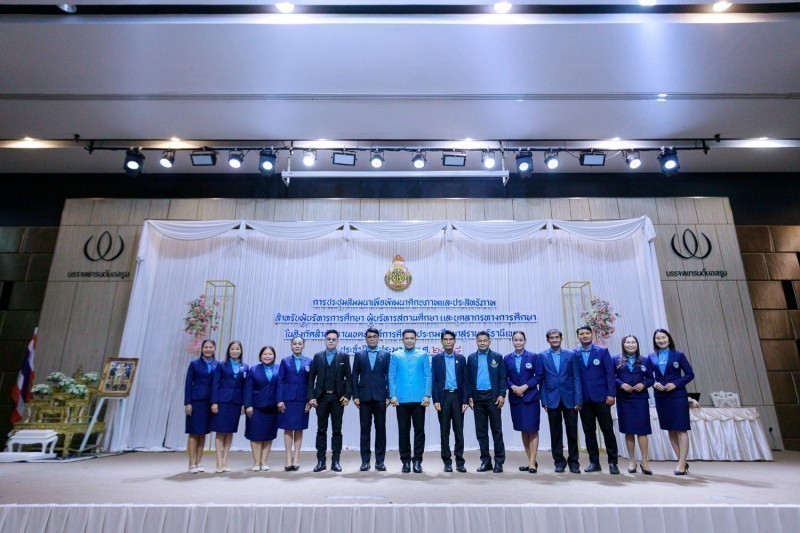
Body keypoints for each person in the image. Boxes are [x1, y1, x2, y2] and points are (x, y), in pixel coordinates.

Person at [648, 328, 695, 475]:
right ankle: (682, 461)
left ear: (669, 339)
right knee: (670, 429)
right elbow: (648, 376)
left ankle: (681, 464)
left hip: (677, 396)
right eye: (658, 338)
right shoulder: (651, 357)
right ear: (655, 341)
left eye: (663, 337)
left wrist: (675, 384)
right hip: (661, 397)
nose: (661, 340)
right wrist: (654, 383)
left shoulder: (678, 355)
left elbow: (689, 374)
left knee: (681, 428)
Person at [574, 325, 619, 475]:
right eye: (581, 334)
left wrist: (611, 394)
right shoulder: (574, 353)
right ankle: (594, 462)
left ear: (592, 335)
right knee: (589, 432)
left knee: (607, 430)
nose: (585, 336)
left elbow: (609, 374)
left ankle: (613, 462)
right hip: (584, 399)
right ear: (578, 337)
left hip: (602, 397)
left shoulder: (602, 351)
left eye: (587, 333)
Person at [307, 329, 352, 473]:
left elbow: (349, 378)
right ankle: (321, 461)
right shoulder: (317, 356)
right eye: (329, 339)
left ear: (338, 341)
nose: (331, 341)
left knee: (337, 430)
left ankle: (336, 461)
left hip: (338, 399)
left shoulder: (344, 356)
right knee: (321, 430)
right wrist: (311, 397)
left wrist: (347, 395)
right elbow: (311, 378)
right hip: (321, 398)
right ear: (325, 340)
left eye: (333, 339)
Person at [539, 329, 582, 474]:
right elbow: (542, 380)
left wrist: (578, 399)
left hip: (570, 399)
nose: (554, 340)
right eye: (552, 338)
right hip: (552, 399)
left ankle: (574, 462)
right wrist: (544, 400)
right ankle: (559, 462)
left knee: (572, 432)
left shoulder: (571, 355)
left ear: (561, 339)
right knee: (555, 433)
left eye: (557, 337)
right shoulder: (542, 356)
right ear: (548, 340)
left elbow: (577, 377)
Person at [389, 328, 431, 473]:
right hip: (401, 400)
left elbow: (428, 376)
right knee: (403, 431)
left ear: (415, 339)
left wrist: (427, 395)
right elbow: (391, 376)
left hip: (419, 400)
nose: (409, 340)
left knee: (419, 431)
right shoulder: (396, 355)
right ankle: (406, 461)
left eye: (411, 338)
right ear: (402, 340)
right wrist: (392, 395)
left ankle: (417, 460)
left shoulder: (423, 355)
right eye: (406, 338)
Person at [613, 335, 654, 475]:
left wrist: (643, 384)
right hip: (624, 399)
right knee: (629, 430)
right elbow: (611, 376)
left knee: (642, 430)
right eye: (628, 342)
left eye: (633, 342)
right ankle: (632, 461)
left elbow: (651, 378)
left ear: (637, 344)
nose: (630, 345)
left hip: (640, 398)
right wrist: (621, 384)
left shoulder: (645, 360)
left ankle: (644, 461)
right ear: (623, 344)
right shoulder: (616, 359)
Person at [467, 331, 507, 473]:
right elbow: (468, 380)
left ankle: (499, 462)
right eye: (480, 341)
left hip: (493, 398)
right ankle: (485, 461)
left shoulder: (497, 357)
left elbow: (503, 377)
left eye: (485, 340)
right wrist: (469, 396)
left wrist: (502, 394)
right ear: (476, 342)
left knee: (497, 431)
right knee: (481, 432)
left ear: (489, 342)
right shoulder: (471, 358)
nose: (482, 343)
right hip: (477, 399)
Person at [504, 330, 543, 473]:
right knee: (523, 430)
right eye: (515, 340)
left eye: (521, 340)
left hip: (530, 398)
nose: (518, 342)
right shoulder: (507, 358)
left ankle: (532, 462)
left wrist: (526, 386)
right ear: (512, 342)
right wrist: (513, 386)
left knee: (532, 429)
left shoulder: (533, 356)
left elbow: (539, 375)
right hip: (516, 399)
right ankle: (530, 460)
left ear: (525, 341)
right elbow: (504, 377)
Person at [352, 327, 391, 471]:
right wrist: (355, 396)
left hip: (381, 397)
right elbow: (354, 376)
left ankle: (380, 461)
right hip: (364, 397)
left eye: (374, 336)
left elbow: (389, 376)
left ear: (378, 338)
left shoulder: (385, 354)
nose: (372, 338)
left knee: (380, 430)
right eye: (369, 336)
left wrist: (388, 395)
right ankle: (365, 461)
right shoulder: (359, 355)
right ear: (366, 339)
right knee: (365, 430)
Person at [431, 330, 468, 472]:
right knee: (444, 431)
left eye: (450, 339)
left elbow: (465, 381)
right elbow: (434, 381)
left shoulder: (461, 358)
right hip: (443, 397)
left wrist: (465, 400)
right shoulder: (436, 359)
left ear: (455, 341)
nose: (448, 342)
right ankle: (447, 461)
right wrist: (435, 399)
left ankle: (460, 461)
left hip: (457, 397)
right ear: (441, 342)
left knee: (459, 431)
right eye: (445, 339)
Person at [210, 340, 248, 473]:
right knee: (220, 431)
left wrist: (244, 403)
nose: (235, 351)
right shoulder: (221, 365)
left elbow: (245, 387)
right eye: (232, 349)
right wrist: (214, 402)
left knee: (230, 432)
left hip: (236, 403)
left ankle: (225, 460)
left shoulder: (245, 367)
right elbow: (215, 384)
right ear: (228, 351)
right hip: (222, 402)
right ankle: (219, 461)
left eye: (237, 349)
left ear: (241, 351)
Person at [277, 336, 312, 471]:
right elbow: (280, 381)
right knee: (287, 428)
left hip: (302, 399)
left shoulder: (309, 361)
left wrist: (310, 399)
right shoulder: (285, 361)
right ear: (291, 346)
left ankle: (296, 457)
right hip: (288, 399)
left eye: (299, 344)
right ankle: (287, 457)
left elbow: (311, 382)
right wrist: (280, 400)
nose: (297, 346)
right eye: (295, 344)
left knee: (299, 428)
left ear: (303, 346)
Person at [184, 339, 217, 474]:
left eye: (211, 347)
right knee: (194, 432)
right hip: (196, 401)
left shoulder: (217, 365)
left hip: (209, 402)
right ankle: (191, 463)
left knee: (203, 433)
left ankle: (198, 462)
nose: (208, 349)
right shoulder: (194, 363)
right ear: (202, 349)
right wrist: (188, 403)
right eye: (206, 347)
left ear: (214, 349)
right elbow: (188, 384)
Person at [244, 345, 279, 471]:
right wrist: (248, 405)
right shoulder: (253, 369)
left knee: (269, 435)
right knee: (255, 435)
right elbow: (248, 388)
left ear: (274, 356)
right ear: (260, 356)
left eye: (270, 354)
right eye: (265, 354)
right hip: (256, 407)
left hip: (272, 407)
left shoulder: (279, 369)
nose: (267, 356)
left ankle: (264, 461)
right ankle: (256, 462)